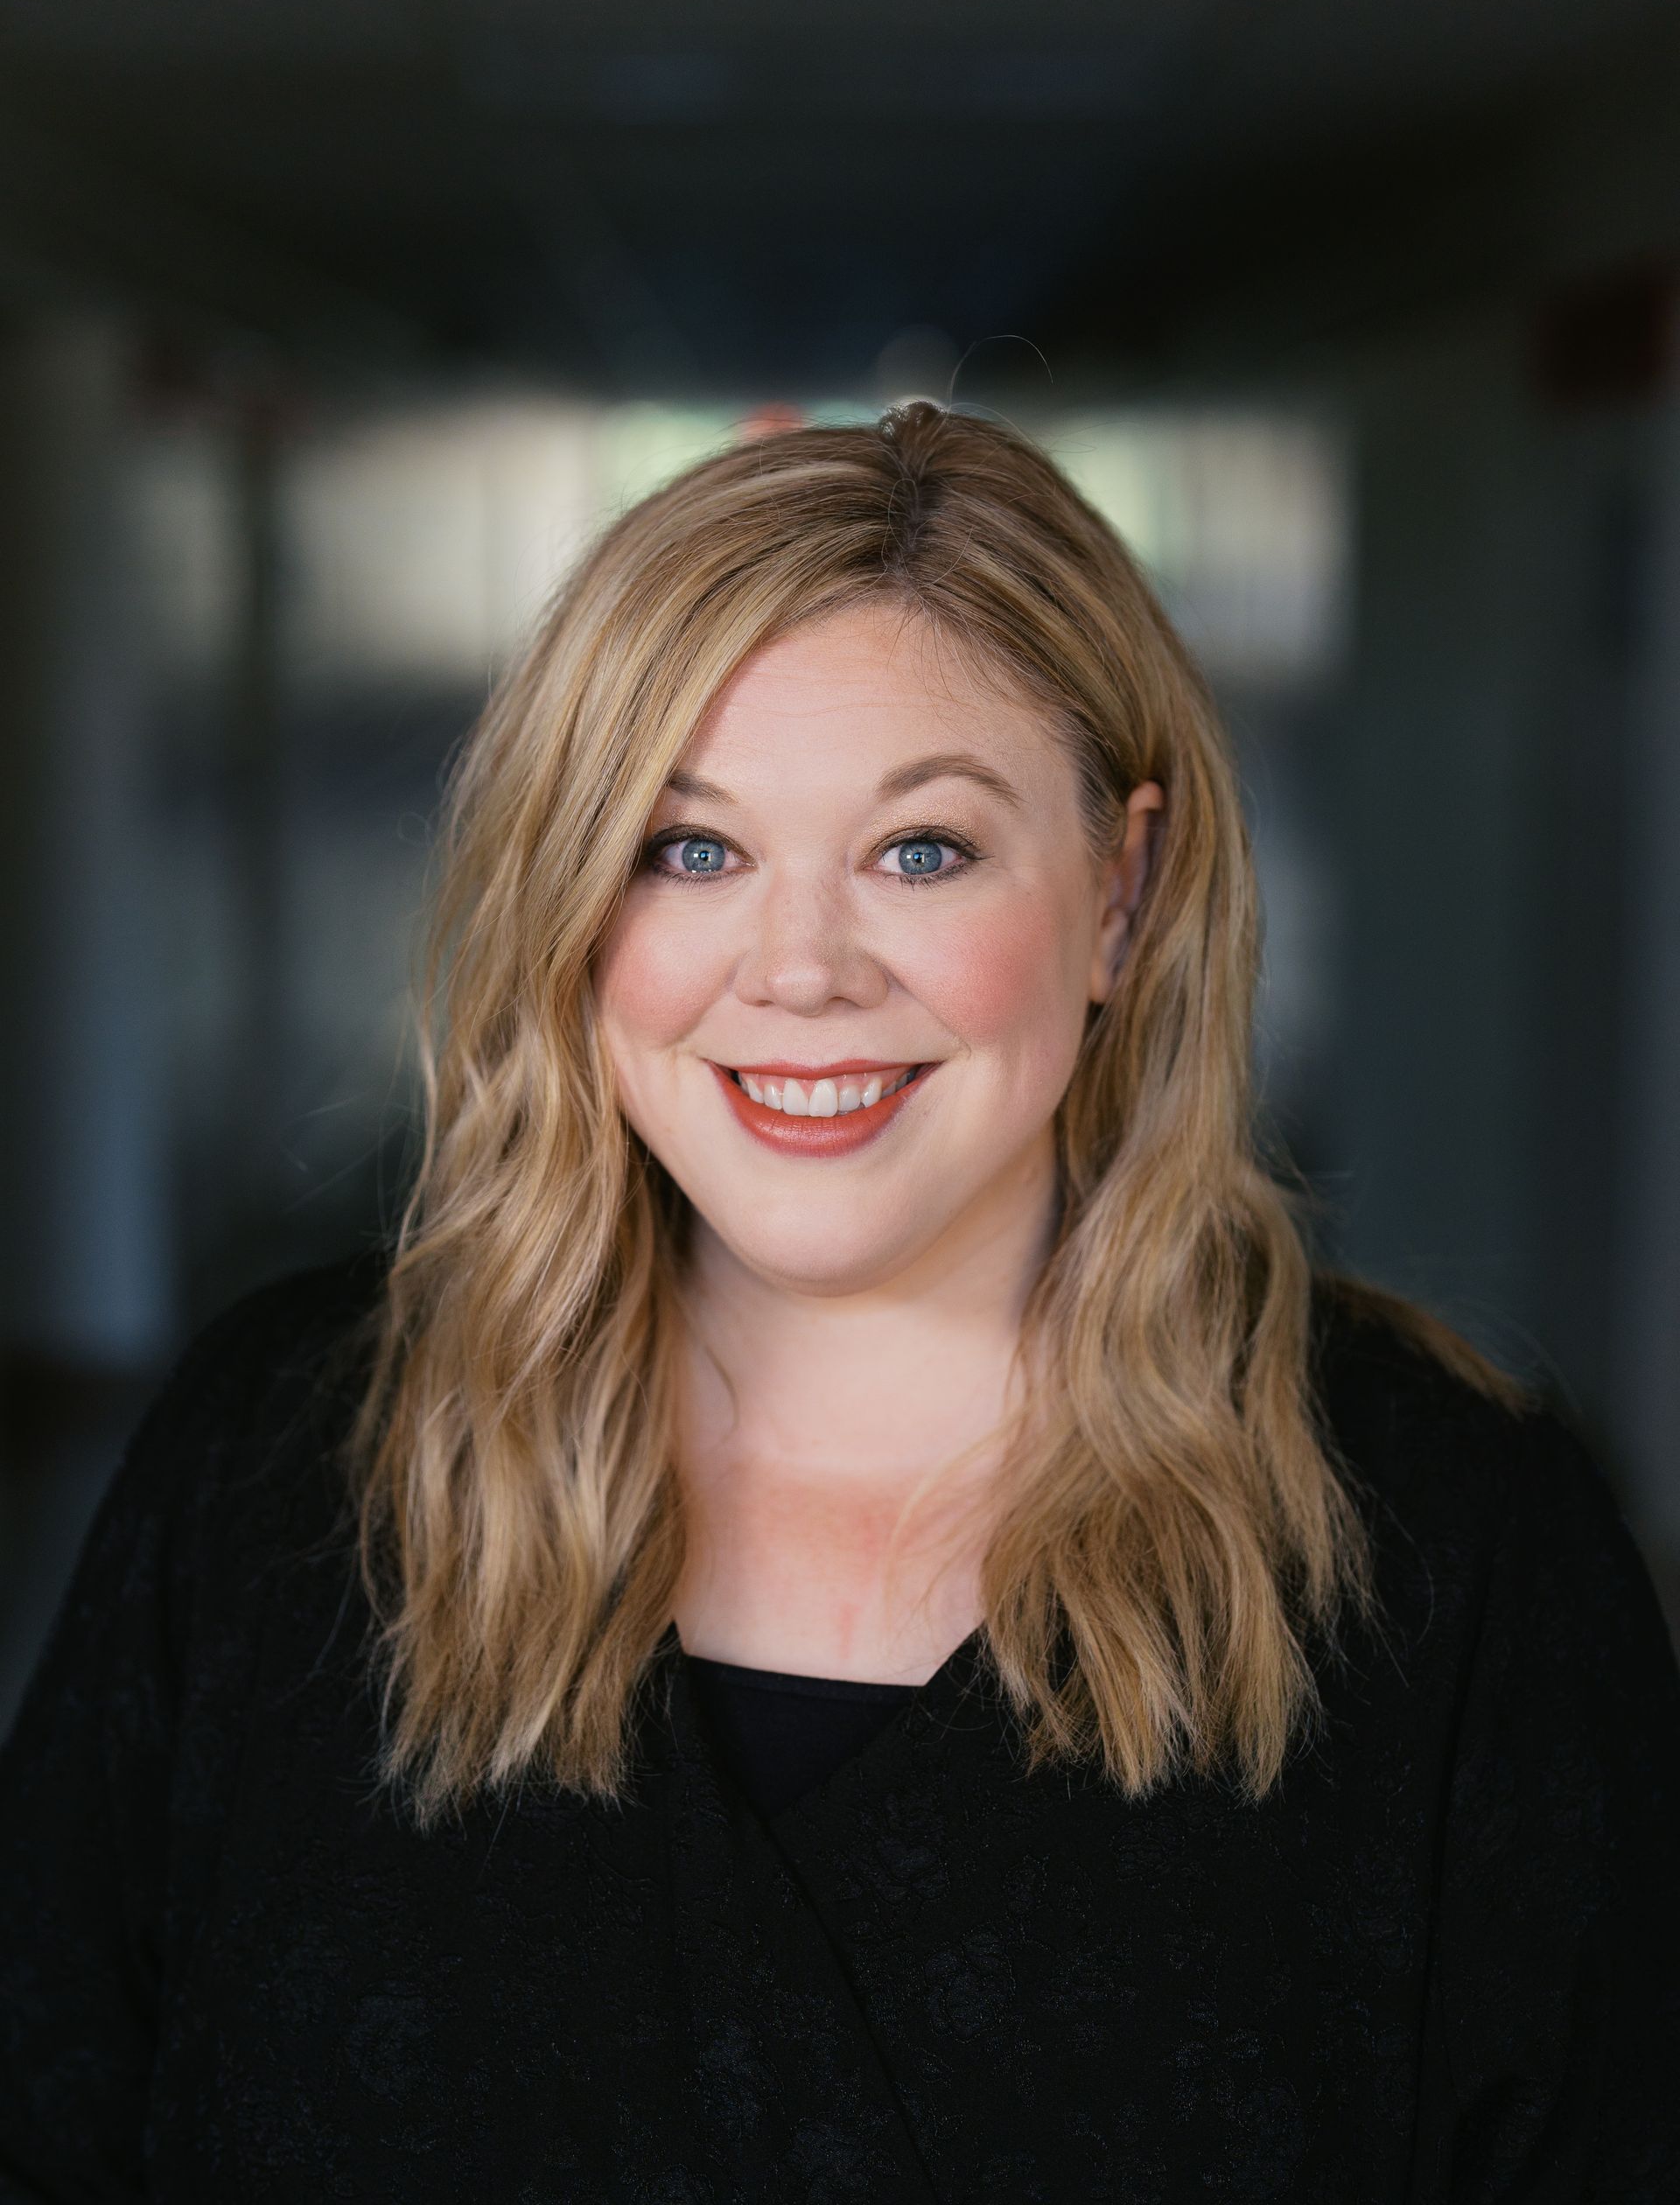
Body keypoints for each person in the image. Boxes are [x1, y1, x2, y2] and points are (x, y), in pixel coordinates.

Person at [3, 403, 1677, 2202]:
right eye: (689, 848)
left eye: (923, 851)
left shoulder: (1458, 1553)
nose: (798, 970)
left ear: (1121, 896)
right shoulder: (279, 1464)